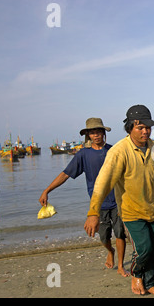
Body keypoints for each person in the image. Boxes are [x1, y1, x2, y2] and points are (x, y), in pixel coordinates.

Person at [84, 105, 154, 297]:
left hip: (153, 209)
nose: (145, 131)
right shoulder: (119, 151)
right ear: (130, 127)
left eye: (148, 127)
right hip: (131, 211)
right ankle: (136, 275)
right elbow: (103, 183)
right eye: (140, 127)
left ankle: (149, 282)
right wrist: (93, 212)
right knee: (144, 248)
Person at [39, 118, 129, 278]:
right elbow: (65, 174)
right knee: (103, 237)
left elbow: (128, 172)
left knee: (120, 233)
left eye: (99, 131)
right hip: (98, 204)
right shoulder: (83, 154)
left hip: (118, 201)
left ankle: (121, 265)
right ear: (88, 135)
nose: (97, 135)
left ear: (104, 133)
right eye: (93, 132)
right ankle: (110, 251)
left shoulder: (113, 150)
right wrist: (47, 190)